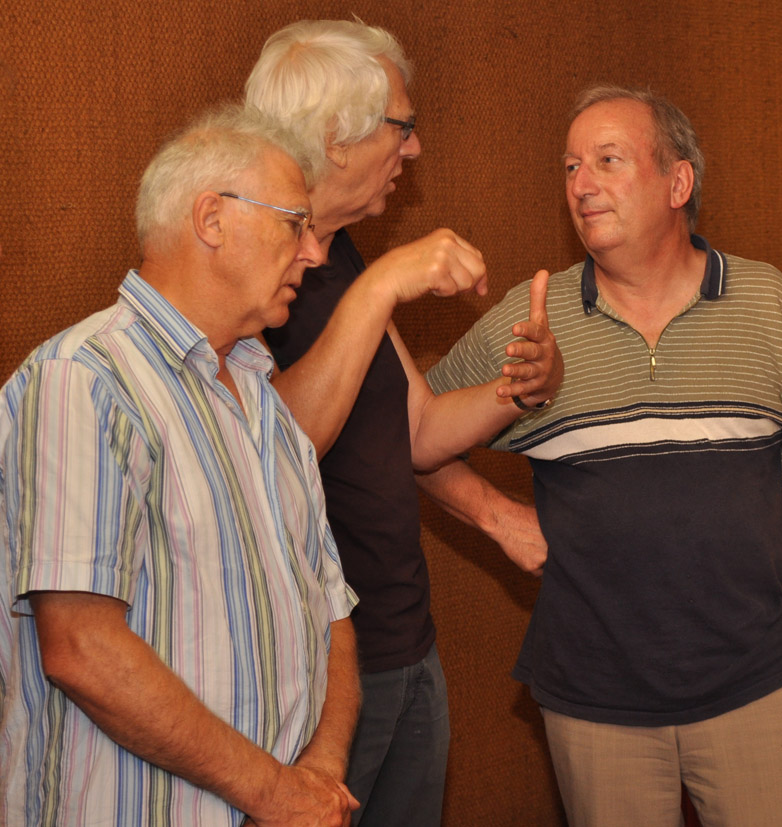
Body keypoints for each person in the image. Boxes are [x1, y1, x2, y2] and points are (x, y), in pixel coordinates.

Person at [423, 84, 782, 826]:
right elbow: (410, 435)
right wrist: (497, 517)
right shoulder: (531, 323)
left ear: (678, 182)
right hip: (596, 703)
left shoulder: (766, 301)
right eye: (570, 167)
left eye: (608, 160)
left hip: (762, 685)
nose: (581, 184)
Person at [0, 105, 360, 825]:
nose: (315, 254)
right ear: (212, 219)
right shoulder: (85, 380)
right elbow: (81, 646)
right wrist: (275, 792)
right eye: (296, 224)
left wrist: (317, 776)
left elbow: (332, 616)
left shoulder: (265, 401)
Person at [244, 20, 561, 826]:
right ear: (335, 138)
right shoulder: (249, 265)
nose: (413, 149)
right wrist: (385, 281)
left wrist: (519, 389)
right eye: (402, 127)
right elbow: (273, 446)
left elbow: (417, 428)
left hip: (402, 637)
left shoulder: (344, 255)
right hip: (316, 669)